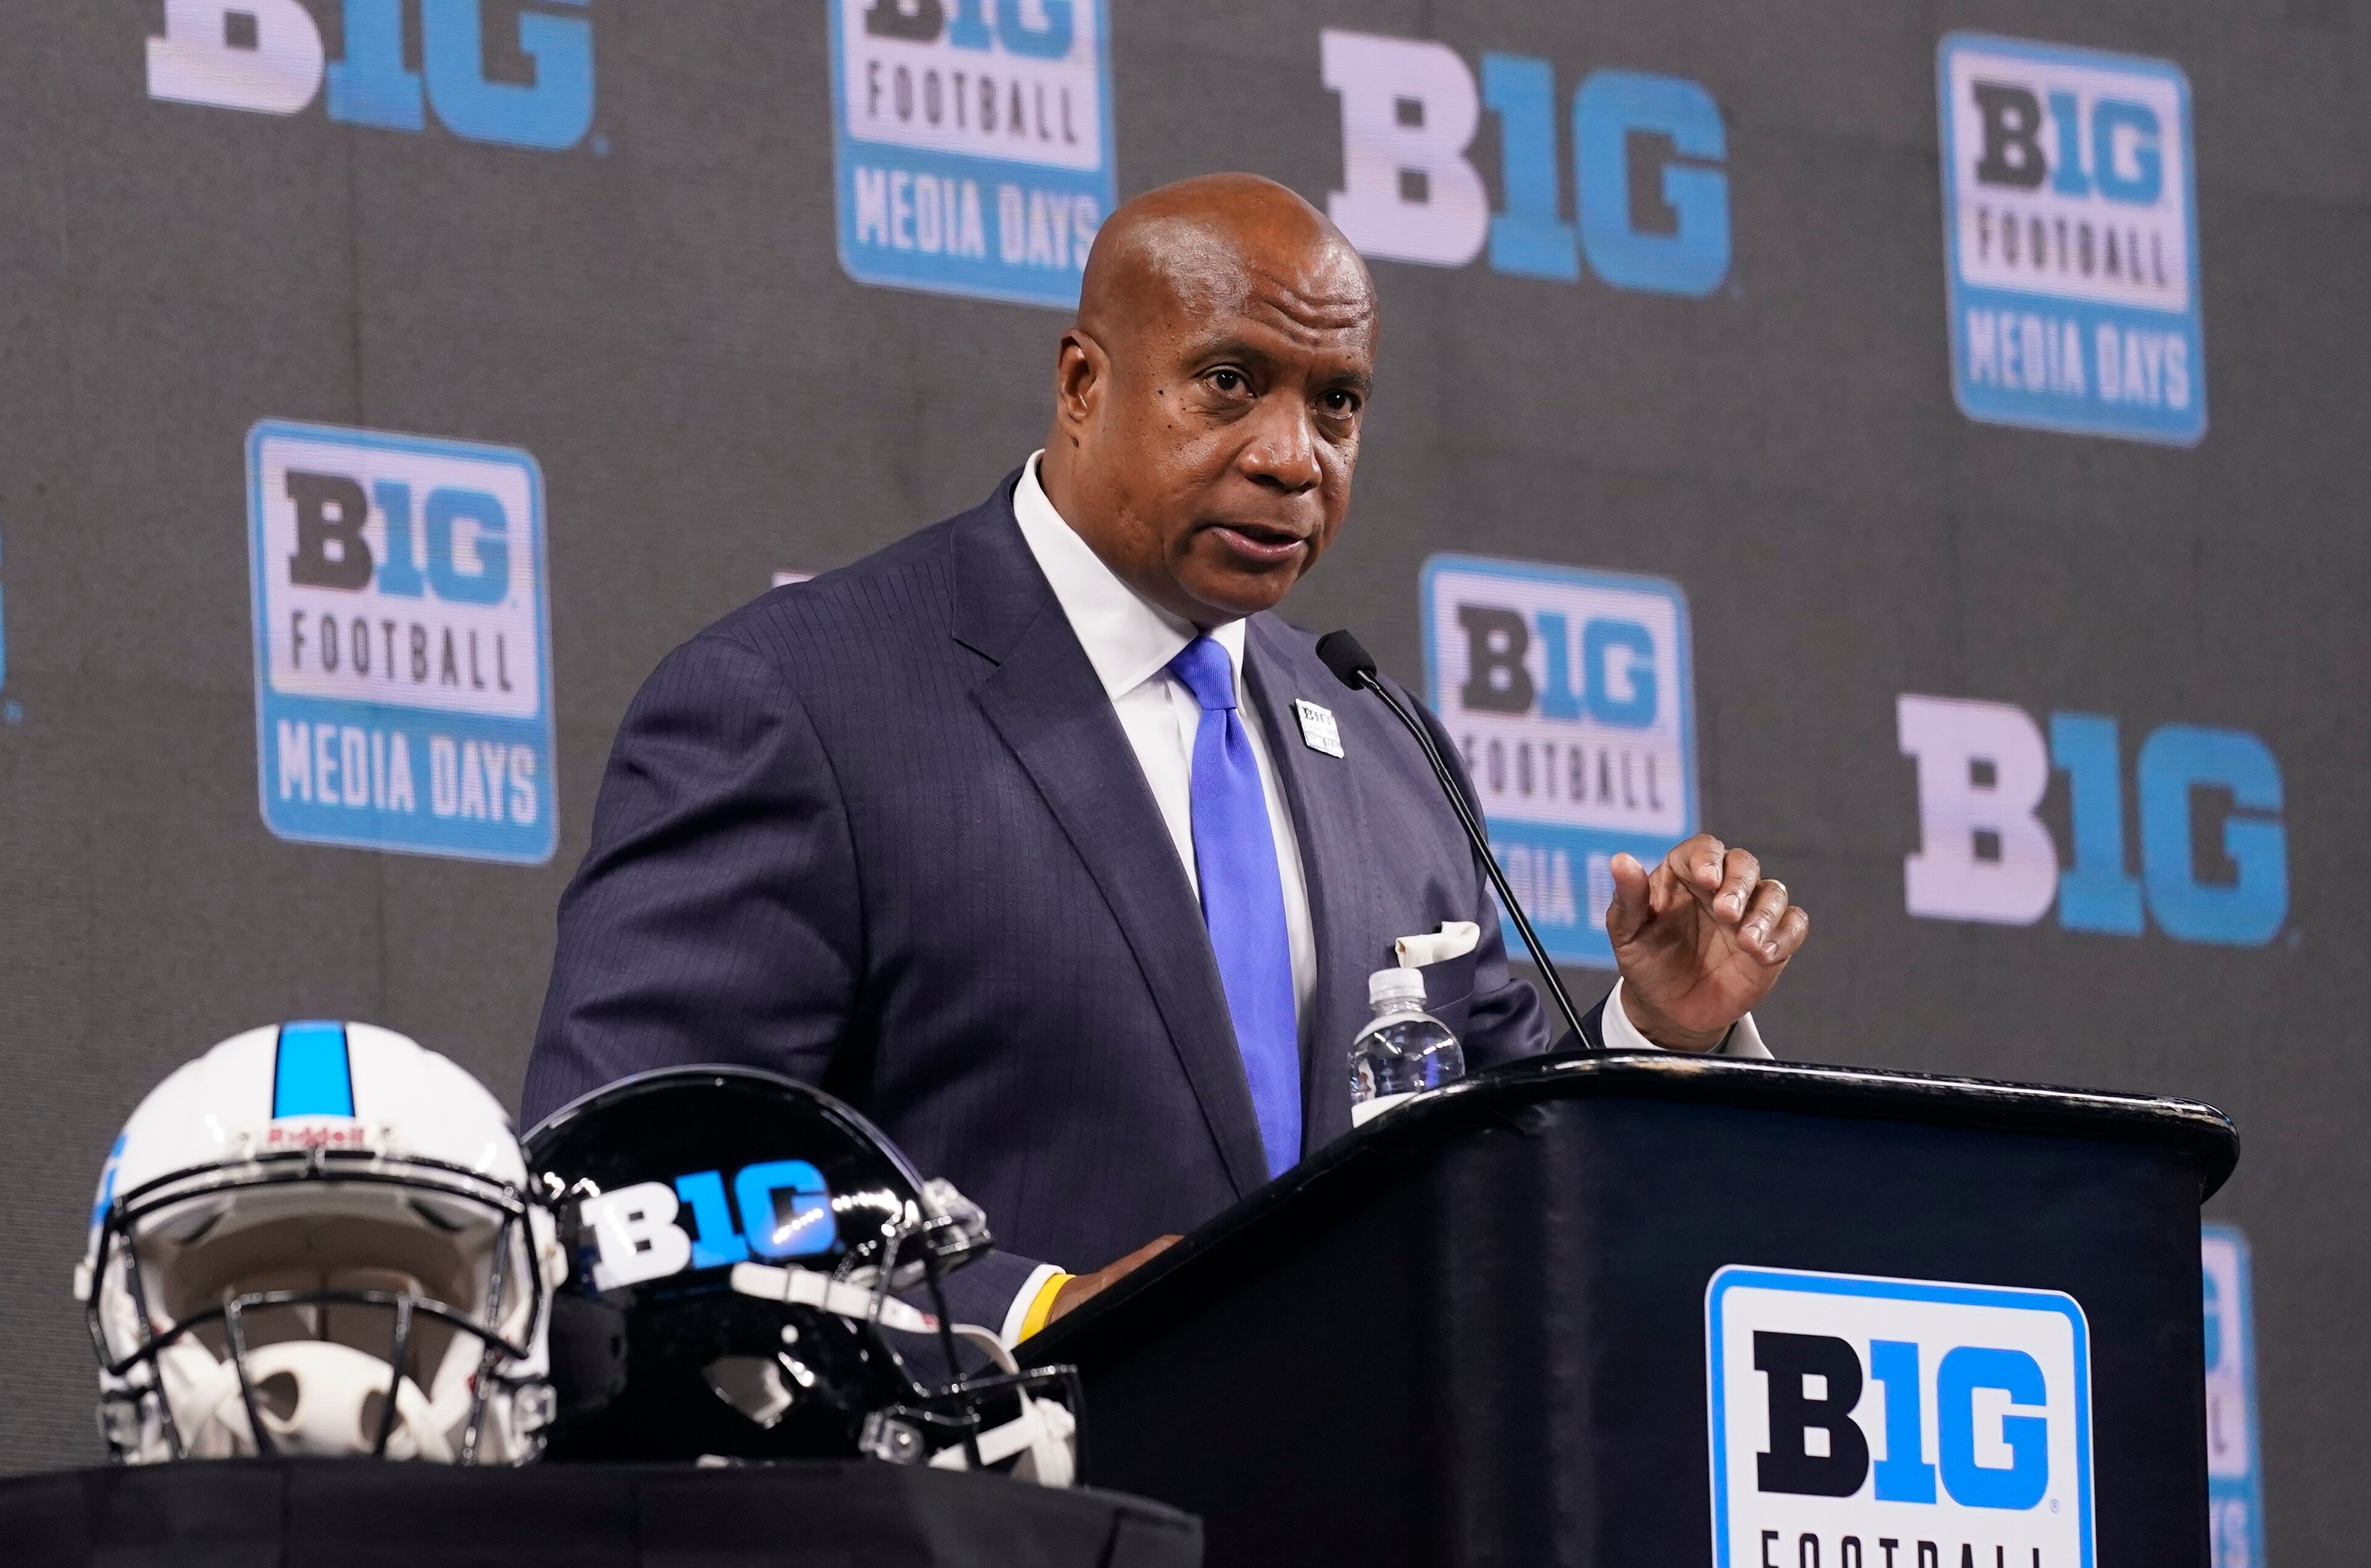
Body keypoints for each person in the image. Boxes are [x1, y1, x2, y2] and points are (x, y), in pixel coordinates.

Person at [521, 174, 1808, 1341]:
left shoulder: (1381, 743)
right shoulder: (804, 699)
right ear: (1082, 385)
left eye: (1337, 403)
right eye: (1230, 383)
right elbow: (636, 1165)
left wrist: (1656, 1030)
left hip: (1365, 1545)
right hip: (986, 1540)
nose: (1290, 457)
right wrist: (1026, 1309)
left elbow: (1497, 1146)